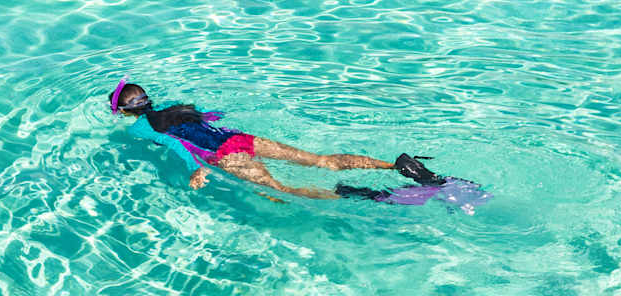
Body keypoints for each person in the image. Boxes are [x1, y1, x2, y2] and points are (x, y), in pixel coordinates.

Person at [108, 79, 451, 202]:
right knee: (321, 160)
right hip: (241, 139)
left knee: (282, 190)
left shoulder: (140, 129)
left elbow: (178, 145)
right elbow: (212, 117)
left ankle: (373, 195)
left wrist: (197, 171)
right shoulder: (178, 108)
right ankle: (398, 166)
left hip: (222, 156)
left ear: (124, 112)